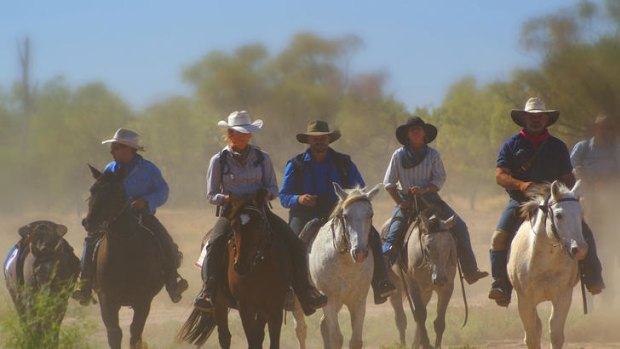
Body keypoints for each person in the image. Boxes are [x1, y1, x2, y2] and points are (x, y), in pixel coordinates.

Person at [194, 111, 327, 315]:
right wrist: (228, 199)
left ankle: (304, 292)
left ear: (250, 135)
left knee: (295, 244)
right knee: (215, 243)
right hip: (231, 213)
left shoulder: (262, 158)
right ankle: (208, 290)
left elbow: (273, 188)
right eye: (238, 133)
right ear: (229, 134)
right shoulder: (218, 160)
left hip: (259, 210)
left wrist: (265, 194)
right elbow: (211, 195)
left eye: (246, 134)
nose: (242, 137)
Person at [489, 97, 605, 307]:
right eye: (532, 116)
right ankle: (501, 285)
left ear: (546, 119)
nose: (536, 119)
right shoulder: (511, 145)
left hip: (554, 202)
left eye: (540, 116)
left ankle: (593, 277)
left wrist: (569, 195)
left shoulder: (557, 146)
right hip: (520, 202)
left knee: (584, 232)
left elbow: (567, 177)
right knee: (498, 238)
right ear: (524, 118)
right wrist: (521, 185)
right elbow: (500, 176)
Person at [279, 120, 397, 304]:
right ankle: (290, 289)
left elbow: (360, 189)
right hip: (304, 212)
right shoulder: (295, 164)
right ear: (309, 140)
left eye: (323, 138)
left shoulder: (344, 162)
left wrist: (348, 200)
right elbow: (284, 196)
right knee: (291, 242)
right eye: (315, 138)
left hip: (340, 211)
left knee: (372, 235)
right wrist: (299, 199)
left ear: (329, 140)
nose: (319, 142)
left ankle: (381, 281)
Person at [73, 128, 188, 304]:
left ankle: (173, 282)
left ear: (129, 149)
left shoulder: (149, 169)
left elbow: (163, 191)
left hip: (143, 216)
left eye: (116, 147)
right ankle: (85, 284)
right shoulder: (109, 169)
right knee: (90, 242)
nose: (112, 151)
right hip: (112, 220)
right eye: (113, 148)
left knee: (166, 242)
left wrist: (147, 201)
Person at [382, 116, 488, 285]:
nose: (416, 132)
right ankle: (383, 278)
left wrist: (424, 189)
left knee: (460, 226)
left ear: (424, 133)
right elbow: (389, 183)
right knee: (392, 236)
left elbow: (439, 179)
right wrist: (401, 202)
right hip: (406, 201)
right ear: (407, 135)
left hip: (431, 200)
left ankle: (470, 270)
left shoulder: (433, 155)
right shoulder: (398, 155)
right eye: (412, 130)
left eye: (419, 129)